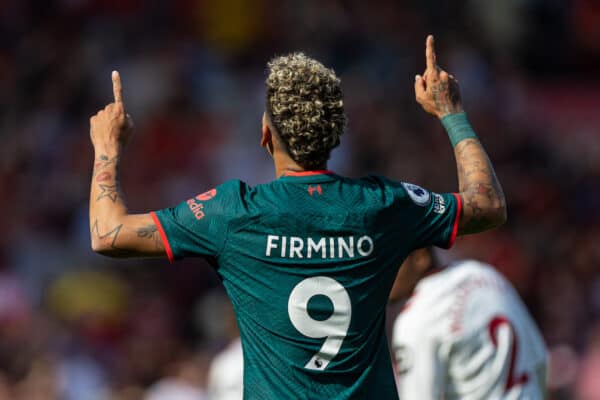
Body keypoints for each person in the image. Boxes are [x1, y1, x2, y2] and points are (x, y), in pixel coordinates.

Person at [88, 35, 506, 399]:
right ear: (337, 132)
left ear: (266, 134)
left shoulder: (233, 212)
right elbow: (486, 205)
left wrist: (107, 147)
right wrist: (452, 113)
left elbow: (107, 234)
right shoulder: (382, 204)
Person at [389, 248, 547, 399]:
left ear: (420, 257)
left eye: (387, 260)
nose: (376, 275)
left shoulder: (416, 318)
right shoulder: (487, 274)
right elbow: (540, 358)